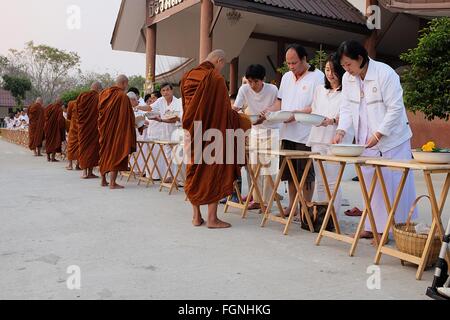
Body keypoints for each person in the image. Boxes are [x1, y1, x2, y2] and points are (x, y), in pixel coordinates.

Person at [333, 40, 417, 242]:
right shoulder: (348, 78)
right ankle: (371, 226)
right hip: (365, 141)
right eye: (343, 66)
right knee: (370, 185)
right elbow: (346, 108)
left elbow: (396, 108)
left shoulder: (385, 73)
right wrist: (341, 130)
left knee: (394, 185)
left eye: (349, 65)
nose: (346, 69)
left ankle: (394, 229)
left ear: (360, 59)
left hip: (392, 140)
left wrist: (379, 133)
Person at [180, 49, 251, 229]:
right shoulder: (215, 79)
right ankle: (212, 219)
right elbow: (224, 113)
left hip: (192, 132)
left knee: (194, 171)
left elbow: (188, 108)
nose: (221, 69)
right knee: (213, 171)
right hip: (212, 133)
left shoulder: (188, 76)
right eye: (222, 65)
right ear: (219, 61)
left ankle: (196, 217)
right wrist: (243, 119)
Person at [263, 44, 325, 218]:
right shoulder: (286, 77)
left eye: (294, 63)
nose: (291, 67)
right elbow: (280, 102)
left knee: (305, 174)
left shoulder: (317, 77)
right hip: (286, 131)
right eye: (288, 63)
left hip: (305, 134)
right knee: (289, 173)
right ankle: (292, 206)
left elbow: (316, 106)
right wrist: (270, 111)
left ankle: (305, 207)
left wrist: (296, 114)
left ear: (304, 59)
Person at [307, 54, 353, 213]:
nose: (330, 74)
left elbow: (350, 114)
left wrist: (333, 120)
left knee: (333, 181)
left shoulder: (347, 91)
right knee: (320, 180)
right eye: (327, 70)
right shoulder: (320, 89)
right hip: (318, 137)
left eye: (333, 71)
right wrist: (315, 119)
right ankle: (321, 216)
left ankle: (333, 217)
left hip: (336, 139)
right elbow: (314, 110)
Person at [233, 64, 280, 211]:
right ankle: (257, 199)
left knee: (269, 168)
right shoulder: (244, 89)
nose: (252, 85)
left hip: (272, 130)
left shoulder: (272, 89)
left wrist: (266, 114)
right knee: (254, 168)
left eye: (256, 81)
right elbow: (236, 108)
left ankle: (267, 202)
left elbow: (278, 106)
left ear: (263, 80)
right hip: (254, 130)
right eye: (250, 81)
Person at [98, 75, 136, 189]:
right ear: (124, 83)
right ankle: (112, 183)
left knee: (105, 153)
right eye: (126, 84)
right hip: (117, 130)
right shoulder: (122, 96)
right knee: (116, 153)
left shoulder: (104, 94)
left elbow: (100, 111)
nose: (126, 86)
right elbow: (127, 116)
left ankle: (103, 180)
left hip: (105, 130)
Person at [150, 83, 183, 183]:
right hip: (166, 132)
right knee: (168, 155)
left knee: (178, 156)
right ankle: (170, 175)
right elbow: (150, 108)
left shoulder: (179, 102)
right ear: (161, 92)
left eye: (167, 90)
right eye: (163, 90)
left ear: (172, 91)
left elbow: (177, 118)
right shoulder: (160, 101)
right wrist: (138, 107)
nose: (166, 92)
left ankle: (181, 179)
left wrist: (162, 120)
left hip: (177, 132)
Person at [77, 81, 102, 179]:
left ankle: (84, 172)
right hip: (93, 127)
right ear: (98, 89)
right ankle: (90, 172)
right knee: (92, 149)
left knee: (84, 148)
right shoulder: (97, 97)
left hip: (83, 127)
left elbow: (77, 112)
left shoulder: (82, 96)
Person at [66, 100, 80, 170]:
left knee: (71, 146)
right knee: (79, 145)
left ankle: (70, 165)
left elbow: (68, 116)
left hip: (73, 127)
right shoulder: (84, 103)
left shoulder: (71, 103)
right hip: (81, 128)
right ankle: (77, 165)